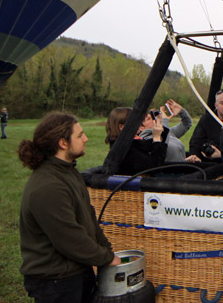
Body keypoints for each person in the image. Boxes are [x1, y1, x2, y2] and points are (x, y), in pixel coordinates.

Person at [17, 112, 121, 302]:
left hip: (76, 272)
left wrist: (106, 249)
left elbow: (87, 217)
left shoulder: (68, 171)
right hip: (55, 281)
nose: (86, 139)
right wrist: (106, 258)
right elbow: (70, 238)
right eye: (80, 135)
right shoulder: (49, 186)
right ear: (63, 143)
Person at [105, 107, 166, 175]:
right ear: (122, 127)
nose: (139, 124)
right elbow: (154, 167)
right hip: (136, 184)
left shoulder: (129, 143)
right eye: (135, 122)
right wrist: (157, 138)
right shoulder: (125, 149)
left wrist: (160, 132)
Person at [188, 88, 223, 162]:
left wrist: (221, 155)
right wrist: (194, 156)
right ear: (216, 105)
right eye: (222, 103)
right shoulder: (206, 120)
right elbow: (196, 142)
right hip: (208, 163)